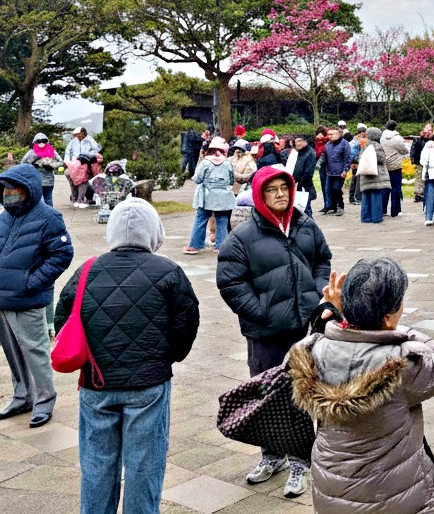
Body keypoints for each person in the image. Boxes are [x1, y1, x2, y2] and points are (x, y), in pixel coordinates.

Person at [55, 198, 199, 514]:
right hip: (148, 386)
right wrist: (164, 360)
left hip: (96, 384)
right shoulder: (169, 271)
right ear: (154, 231)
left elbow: (63, 318)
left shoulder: (87, 270)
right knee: (144, 467)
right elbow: (186, 324)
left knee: (96, 465)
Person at [288, 257, 434, 514]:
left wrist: (335, 318)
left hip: (332, 493)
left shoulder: (309, 351)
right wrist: (399, 331)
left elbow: (314, 339)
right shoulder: (403, 364)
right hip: (396, 497)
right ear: (389, 316)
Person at [216, 166, 332, 497]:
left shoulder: (306, 226)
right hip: (264, 333)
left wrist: (317, 292)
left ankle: (300, 460)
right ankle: (271, 455)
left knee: (299, 393)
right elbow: (230, 281)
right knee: (267, 393)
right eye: (273, 190)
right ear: (259, 195)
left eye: (285, 188)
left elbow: (322, 260)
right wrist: (260, 312)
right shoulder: (242, 236)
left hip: (303, 329)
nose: (281, 194)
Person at [0, 164, 73, 429]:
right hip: (2, 299)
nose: (9, 193)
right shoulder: (4, 217)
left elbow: (62, 254)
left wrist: (33, 282)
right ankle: (22, 396)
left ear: (28, 190)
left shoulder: (49, 217)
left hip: (28, 299)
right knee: (12, 352)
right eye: (6, 188)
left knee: (35, 351)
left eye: (14, 188)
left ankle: (44, 399)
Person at [184, 137, 235, 255]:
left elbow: (197, 179)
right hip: (223, 196)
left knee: (201, 218)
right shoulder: (228, 163)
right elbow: (232, 180)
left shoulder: (205, 162)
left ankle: (195, 246)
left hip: (206, 196)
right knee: (222, 220)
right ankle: (221, 246)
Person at [358, 128, 388, 224]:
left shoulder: (364, 145)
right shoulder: (377, 145)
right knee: (376, 195)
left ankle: (365, 217)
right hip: (376, 176)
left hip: (365, 175)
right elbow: (381, 160)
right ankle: (376, 217)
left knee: (366, 196)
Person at [22, 133, 62, 207]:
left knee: (47, 199)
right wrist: (33, 167)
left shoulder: (51, 151)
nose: (41, 143)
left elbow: (60, 162)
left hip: (48, 180)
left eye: (44, 141)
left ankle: (48, 216)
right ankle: (46, 216)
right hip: (36, 180)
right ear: (35, 142)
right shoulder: (31, 152)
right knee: (40, 200)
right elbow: (23, 163)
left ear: (47, 141)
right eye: (39, 141)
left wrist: (52, 166)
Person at [65, 126, 101, 208]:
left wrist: (88, 154)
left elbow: (97, 148)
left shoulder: (89, 140)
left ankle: (81, 198)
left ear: (83, 133)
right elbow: (68, 151)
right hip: (75, 163)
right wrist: (67, 162)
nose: (78, 136)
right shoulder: (73, 141)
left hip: (86, 162)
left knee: (83, 181)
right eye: (76, 134)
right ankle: (76, 197)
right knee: (73, 178)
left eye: (79, 134)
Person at [381, 122, 409, 219]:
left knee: (384, 188)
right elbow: (404, 150)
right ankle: (395, 211)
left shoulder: (381, 137)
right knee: (395, 188)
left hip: (384, 165)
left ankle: (382, 209)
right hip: (395, 166)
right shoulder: (397, 138)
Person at [322, 127, 351, 216]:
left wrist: (345, 170)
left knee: (336, 189)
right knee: (328, 190)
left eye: (332, 134)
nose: (329, 136)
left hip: (340, 172)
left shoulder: (344, 144)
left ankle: (340, 206)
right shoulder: (327, 145)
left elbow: (348, 158)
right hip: (329, 172)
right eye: (328, 134)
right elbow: (325, 157)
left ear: (339, 134)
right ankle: (331, 207)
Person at [291, 135, 317, 216]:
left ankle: (310, 226)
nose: (297, 144)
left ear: (305, 141)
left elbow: (308, 171)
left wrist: (301, 182)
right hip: (298, 183)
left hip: (305, 184)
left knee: (306, 207)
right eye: (296, 142)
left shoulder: (310, 152)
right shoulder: (299, 152)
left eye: (299, 141)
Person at [409, 124, 432, 205]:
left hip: (427, 162)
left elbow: (412, 150)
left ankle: (421, 193)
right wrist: (412, 159)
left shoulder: (429, 140)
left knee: (422, 178)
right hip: (419, 162)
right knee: (420, 178)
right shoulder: (418, 139)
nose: (428, 132)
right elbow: (412, 150)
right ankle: (418, 194)